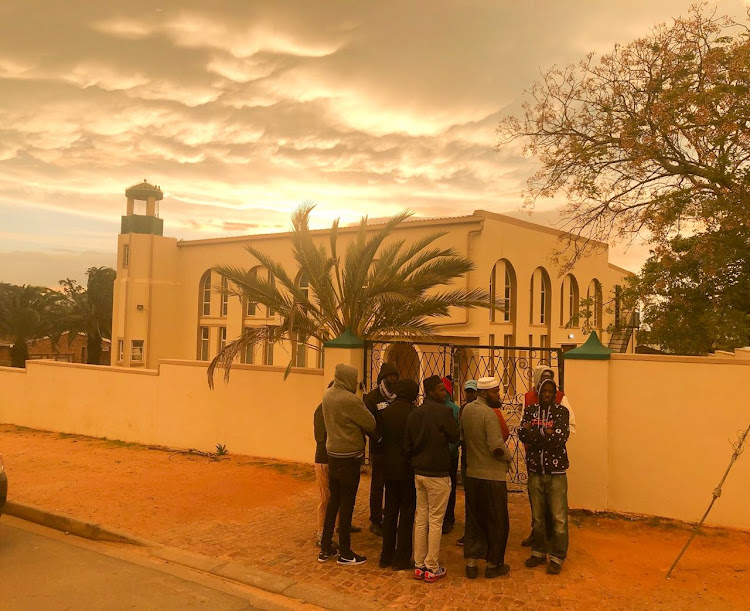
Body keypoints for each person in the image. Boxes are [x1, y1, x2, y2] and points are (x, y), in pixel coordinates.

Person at [319, 364, 378, 566]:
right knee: (347, 504)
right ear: (347, 379)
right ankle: (345, 552)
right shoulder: (349, 399)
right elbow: (370, 423)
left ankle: (325, 546)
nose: (355, 383)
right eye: (354, 379)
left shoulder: (327, 395)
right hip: (349, 457)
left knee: (333, 501)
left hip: (332, 455)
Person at [404, 375, 460, 583]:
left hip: (419, 472)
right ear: (430, 392)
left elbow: (407, 444)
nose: (443, 392)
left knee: (421, 519)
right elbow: (455, 437)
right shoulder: (445, 412)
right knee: (435, 521)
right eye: (439, 390)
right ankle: (432, 566)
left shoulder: (415, 413)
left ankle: (419, 564)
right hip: (438, 473)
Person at [461, 376, 513, 579]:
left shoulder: (467, 411)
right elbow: (497, 447)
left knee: (474, 519)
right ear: (483, 393)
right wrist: (509, 459)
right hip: (492, 476)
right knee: (497, 521)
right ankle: (493, 564)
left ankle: (471, 563)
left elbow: (463, 438)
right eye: (495, 392)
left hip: (472, 473)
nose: (498, 396)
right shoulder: (489, 414)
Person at [518, 378, 571, 575]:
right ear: (539, 393)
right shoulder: (531, 411)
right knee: (537, 517)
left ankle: (557, 557)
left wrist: (536, 433)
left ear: (555, 394)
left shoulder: (561, 412)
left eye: (551, 392)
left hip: (556, 473)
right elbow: (522, 434)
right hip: (535, 471)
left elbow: (559, 438)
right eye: (544, 391)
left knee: (559, 517)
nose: (547, 394)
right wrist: (545, 432)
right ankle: (538, 552)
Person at [377, 378, 419, 570]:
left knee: (390, 511)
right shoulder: (414, 413)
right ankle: (402, 558)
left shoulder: (386, 412)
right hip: (407, 469)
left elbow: (380, 438)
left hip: (389, 468)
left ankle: (386, 555)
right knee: (407, 513)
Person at [313, 382, 360, 547]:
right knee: (326, 498)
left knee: (339, 495)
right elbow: (320, 436)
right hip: (325, 459)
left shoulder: (336, 409)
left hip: (336, 458)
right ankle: (321, 533)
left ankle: (341, 525)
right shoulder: (322, 410)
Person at [364, 362, 400, 537]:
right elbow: (368, 423)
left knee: (393, 485)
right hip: (379, 449)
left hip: (395, 449)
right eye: (390, 377)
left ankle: (390, 516)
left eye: (395, 377)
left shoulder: (399, 396)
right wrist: (378, 437)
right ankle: (375, 520)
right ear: (383, 379)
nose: (393, 380)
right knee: (378, 486)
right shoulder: (372, 398)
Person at [441, 376, 460, 534]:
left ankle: (444, 518)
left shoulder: (453, 409)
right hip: (450, 455)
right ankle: (448, 518)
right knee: (450, 487)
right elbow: (459, 434)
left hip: (440, 455)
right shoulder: (455, 409)